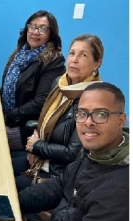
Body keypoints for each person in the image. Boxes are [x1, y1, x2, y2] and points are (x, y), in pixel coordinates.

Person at [19, 82, 128, 221]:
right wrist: (11, 204)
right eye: (82, 113)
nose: (88, 122)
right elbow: (58, 186)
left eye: (101, 114)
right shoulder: (96, 153)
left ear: (121, 120)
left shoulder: (119, 190)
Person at [13, 34, 104, 192]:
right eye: (72, 53)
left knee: (4, 186)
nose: (74, 59)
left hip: (59, 175)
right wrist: (33, 146)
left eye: (83, 55)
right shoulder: (60, 83)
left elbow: (72, 153)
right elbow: (44, 121)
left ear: (97, 63)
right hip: (41, 158)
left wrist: (37, 147)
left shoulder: (93, 100)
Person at [0, 10, 65, 153]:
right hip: (6, 117)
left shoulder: (54, 61)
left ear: (51, 34)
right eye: (33, 26)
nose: (35, 32)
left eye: (42, 29)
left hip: (23, 127)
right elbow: (7, 88)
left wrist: (9, 116)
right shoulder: (20, 54)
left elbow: (41, 102)